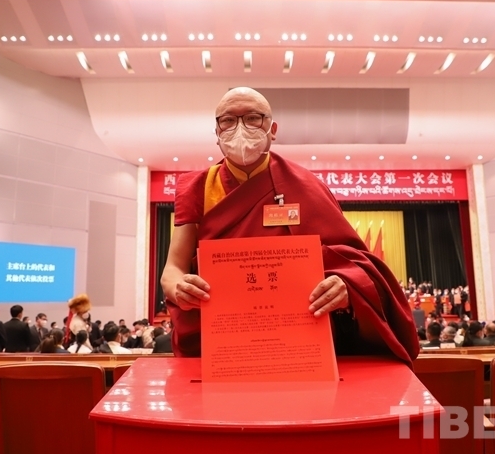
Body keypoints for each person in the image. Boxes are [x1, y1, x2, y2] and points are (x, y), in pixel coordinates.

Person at [161, 87, 419, 363]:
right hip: (224, 337)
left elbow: (354, 262)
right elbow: (172, 269)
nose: (240, 128)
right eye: (228, 120)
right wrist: (179, 288)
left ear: (272, 129)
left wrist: (346, 286)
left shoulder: (306, 186)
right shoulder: (198, 188)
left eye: (252, 118)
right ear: (217, 132)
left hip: (300, 341)